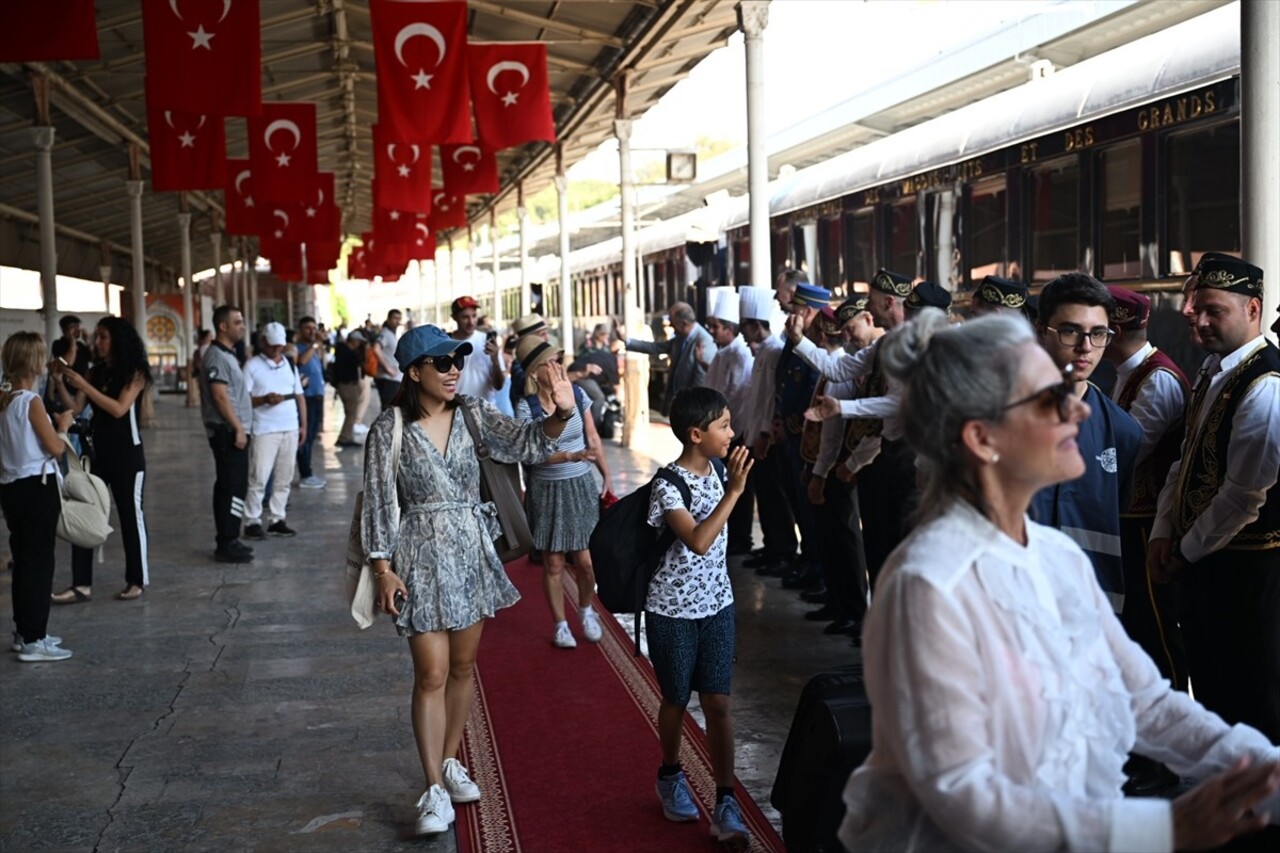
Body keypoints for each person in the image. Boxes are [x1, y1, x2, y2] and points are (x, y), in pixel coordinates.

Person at [839, 308, 1280, 853]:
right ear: (982, 437)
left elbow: (1142, 700)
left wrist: (1267, 771)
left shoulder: (1054, 557)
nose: (1078, 407)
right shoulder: (929, 584)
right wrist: (1162, 830)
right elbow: (963, 794)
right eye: (1050, 398)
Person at [362, 324, 578, 837]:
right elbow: (376, 501)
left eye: (458, 359)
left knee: (462, 669)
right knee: (430, 674)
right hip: (416, 554)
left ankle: (452, 760)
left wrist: (561, 414)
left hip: (470, 549)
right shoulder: (389, 428)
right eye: (442, 363)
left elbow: (525, 445)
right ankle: (434, 786)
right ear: (414, 372)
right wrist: (382, 568)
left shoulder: (475, 415)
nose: (454, 368)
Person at [1149, 255, 1280, 744]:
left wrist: (1182, 551)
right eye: (1195, 308)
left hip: (1247, 572)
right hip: (1205, 561)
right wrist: (1164, 531)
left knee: (1251, 701)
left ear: (1253, 310)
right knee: (1213, 696)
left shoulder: (1265, 385)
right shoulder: (1214, 370)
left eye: (1213, 310)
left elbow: (1241, 499)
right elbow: (1185, 461)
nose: (1198, 319)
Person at [647, 387, 754, 848]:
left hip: (717, 605)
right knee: (675, 698)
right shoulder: (668, 485)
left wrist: (728, 484)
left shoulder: (716, 469)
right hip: (672, 609)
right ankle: (670, 774)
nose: (731, 433)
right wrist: (733, 493)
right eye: (724, 426)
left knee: (719, 703)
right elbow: (698, 540)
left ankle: (725, 798)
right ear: (696, 434)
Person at [1029, 273, 1141, 613]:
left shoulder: (1122, 431)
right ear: (1040, 331)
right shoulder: (998, 418)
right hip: (1014, 605)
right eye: (1069, 331)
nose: (1085, 347)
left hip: (1091, 610)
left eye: (1098, 334)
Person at [1101, 286, 1190, 689]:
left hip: (1146, 524)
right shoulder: (1130, 375)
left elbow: (1123, 456)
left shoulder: (1158, 380)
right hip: (1129, 518)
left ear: (1113, 332)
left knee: (1154, 632)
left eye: (1095, 331)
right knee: (1133, 627)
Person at [514, 335, 611, 648]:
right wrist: (568, 455)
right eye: (548, 362)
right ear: (533, 372)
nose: (556, 366)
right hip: (546, 489)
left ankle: (586, 610)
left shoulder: (578, 393)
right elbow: (530, 454)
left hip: (579, 484)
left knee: (585, 561)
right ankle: (560, 624)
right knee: (553, 562)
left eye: (557, 359)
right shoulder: (526, 406)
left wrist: (606, 475)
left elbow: (592, 437)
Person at [47, 316, 153, 601]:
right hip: (98, 454)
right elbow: (77, 406)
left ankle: (137, 579)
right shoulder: (96, 372)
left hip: (128, 455)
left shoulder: (136, 372)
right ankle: (81, 584)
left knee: (131, 516)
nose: (98, 342)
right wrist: (60, 383)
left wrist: (84, 383)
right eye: (97, 337)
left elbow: (119, 408)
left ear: (117, 339)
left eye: (103, 336)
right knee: (84, 510)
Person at [1, 332, 74, 661]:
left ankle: (24, 631)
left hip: (12, 489)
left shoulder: (5, 401)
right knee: (39, 564)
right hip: (36, 487)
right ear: (32, 362)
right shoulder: (31, 402)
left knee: (25, 562)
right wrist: (63, 425)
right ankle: (34, 639)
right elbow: (56, 448)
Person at [737, 286, 796, 578]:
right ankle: (772, 546)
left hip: (766, 437)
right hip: (755, 433)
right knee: (766, 496)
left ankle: (783, 550)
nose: (743, 333)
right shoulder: (762, 352)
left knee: (776, 496)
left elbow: (772, 398)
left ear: (757, 324)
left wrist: (763, 435)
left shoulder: (773, 351)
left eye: (745, 326)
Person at [199, 305, 254, 564]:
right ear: (223, 326)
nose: (242, 326)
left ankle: (230, 536)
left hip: (233, 431)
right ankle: (227, 541)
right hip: (227, 432)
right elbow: (220, 397)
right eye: (238, 322)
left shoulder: (227, 354)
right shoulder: (216, 357)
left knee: (233, 485)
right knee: (231, 486)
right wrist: (238, 427)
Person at [241, 323, 305, 541]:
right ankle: (252, 520)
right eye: (272, 346)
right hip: (264, 429)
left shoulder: (289, 364)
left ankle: (277, 518)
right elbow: (243, 400)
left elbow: (299, 396)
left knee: (284, 477)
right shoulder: (251, 366)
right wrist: (264, 400)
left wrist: (302, 425)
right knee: (259, 477)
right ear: (263, 342)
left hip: (290, 427)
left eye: (280, 346)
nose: (277, 350)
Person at [704, 289, 756, 556]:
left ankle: (740, 538)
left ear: (729, 328)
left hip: (733, 432)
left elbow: (739, 398)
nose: (711, 331)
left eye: (715, 326)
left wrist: (730, 432)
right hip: (717, 430)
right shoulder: (722, 353)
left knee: (739, 488)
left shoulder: (741, 356)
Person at [617, 301, 716, 416]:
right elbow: (654, 348)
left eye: (672, 323)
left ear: (684, 323)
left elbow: (700, 378)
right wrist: (626, 341)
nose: (671, 327)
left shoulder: (704, 341)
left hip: (692, 404)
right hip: (680, 401)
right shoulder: (680, 338)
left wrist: (693, 406)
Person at [293, 316, 327, 489]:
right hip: (306, 397)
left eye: (314, 328)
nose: (312, 331)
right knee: (304, 436)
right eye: (308, 328)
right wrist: (314, 345)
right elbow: (301, 361)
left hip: (316, 395)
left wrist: (318, 346)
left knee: (312, 435)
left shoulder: (313, 348)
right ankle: (305, 474)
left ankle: (308, 471)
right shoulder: (297, 348)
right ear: (300, 330)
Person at [448, 297, 505, 400]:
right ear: (454, 317)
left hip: (485, 410)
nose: (471, 322)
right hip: (455, 408)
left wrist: (495, 360)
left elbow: (499, 386)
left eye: (474, 316)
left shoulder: (487, 341)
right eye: (465, 317)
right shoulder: (446, 343)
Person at [333, 330, 370, 448]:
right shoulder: (348, 352)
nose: (359, 344)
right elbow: (358, 363)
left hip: (344, 384)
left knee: (350, 411)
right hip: (347, 384)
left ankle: (347, 436)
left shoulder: (342, 350)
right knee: (351, 412)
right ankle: (344, 438)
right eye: (359, 342)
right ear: (354, 340)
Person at [373, 309, 403, 411]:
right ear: (389, 319)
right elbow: (376, 348)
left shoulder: (392, 334)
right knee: (389, 412)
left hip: (394, 379)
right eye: (395, 318)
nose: (397, 321)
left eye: (399, 319)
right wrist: (387, 368)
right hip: (388, 379)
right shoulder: (385, 333)